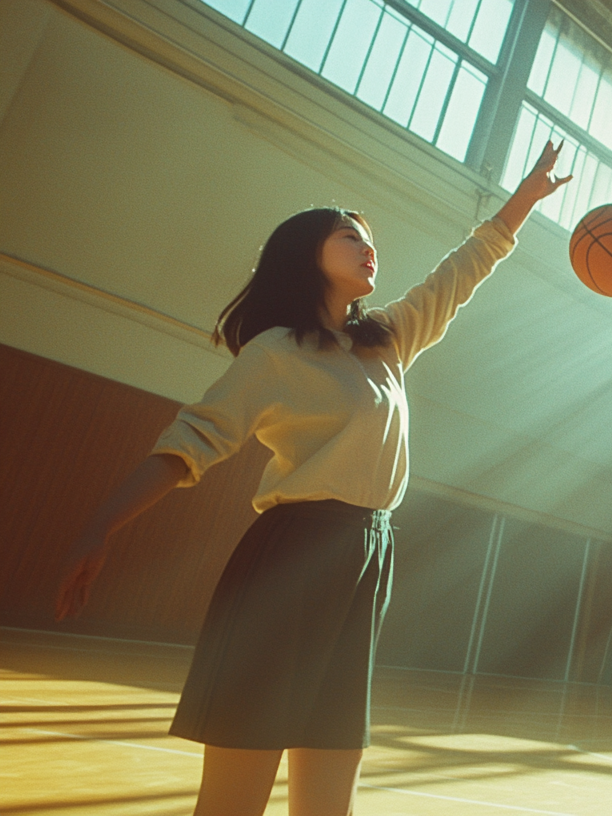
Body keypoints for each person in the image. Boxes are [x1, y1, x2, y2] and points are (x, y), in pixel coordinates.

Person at [53, 141, 572, 816]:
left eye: (369, 239)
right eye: (349, 236)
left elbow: (459, 272)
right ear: (306, 256)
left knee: (329, 793)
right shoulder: (274, 354)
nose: (367, 247)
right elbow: (189, 444)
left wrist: (523, 201)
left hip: (367, 558)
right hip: (290, 561)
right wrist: (100, 527)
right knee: (234, 797)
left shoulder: (387, 340)